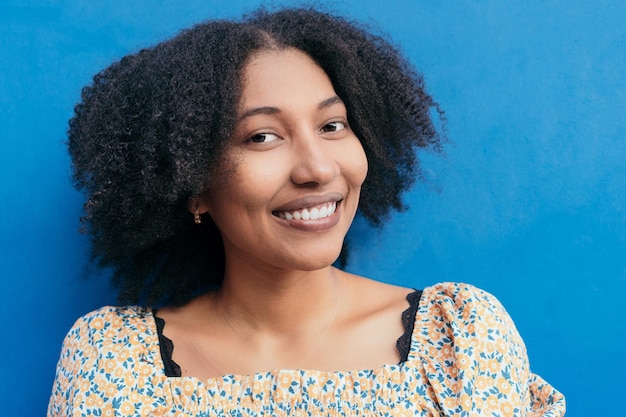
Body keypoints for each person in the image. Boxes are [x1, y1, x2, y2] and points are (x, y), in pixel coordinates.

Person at [48, 7, 565, 416]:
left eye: (332, 125)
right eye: (262, 136)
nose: (317, 168)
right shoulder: (112, 362)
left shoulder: (459, 339)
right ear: (191, 184)